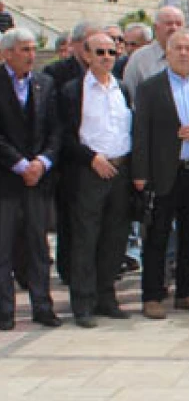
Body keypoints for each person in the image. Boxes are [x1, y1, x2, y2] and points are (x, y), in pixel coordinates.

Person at [131, 32, 189, 320]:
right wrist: (140, 173)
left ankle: (186, 292)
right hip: (162, 173)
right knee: (157, 236)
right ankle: (153, 295)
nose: (183, 54)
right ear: (167, 53)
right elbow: (141, 131)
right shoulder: (150, 88)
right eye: (178, 49)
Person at [59, 32, 133, 328]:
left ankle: (107, 297)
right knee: (86, 239)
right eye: (99, 52)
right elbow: (65, 134)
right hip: (89, 171)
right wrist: (91, 158)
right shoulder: (73, 90)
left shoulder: (123, 88)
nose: (106, 58)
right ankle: (83, 303)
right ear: (86, 55)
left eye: (111, 52)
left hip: (120, 171)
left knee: (115, 238)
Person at [0, 28, 63, 330]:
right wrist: (20, 164)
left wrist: (42, 161)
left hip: (39, 180)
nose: (30, 55)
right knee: (4, 246)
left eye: (32, 49)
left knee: (39, 246)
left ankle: (43, 305)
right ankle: (4, 310)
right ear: (7, 53)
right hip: (7, 180)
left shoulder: (44, 84)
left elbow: (56, 129)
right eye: (24, 50)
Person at [43, 21, 102, 283]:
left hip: (103, 163)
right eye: (92, 46)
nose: (101, 55)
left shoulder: (112, 79)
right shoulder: (56, 74)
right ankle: (70, 275)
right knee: (68, 223)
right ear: (77, 45)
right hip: (69, 161)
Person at [123, 7, 189, 98]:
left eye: (178, 24)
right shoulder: (139, 59)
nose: (174, 28)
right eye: (169, 23)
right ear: (156, 28)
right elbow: (130, 95)